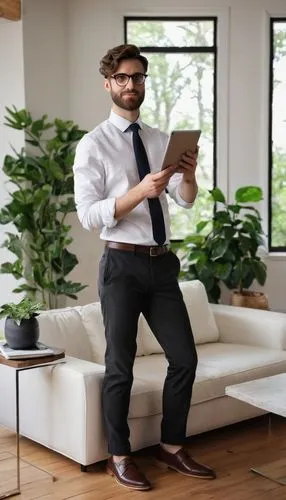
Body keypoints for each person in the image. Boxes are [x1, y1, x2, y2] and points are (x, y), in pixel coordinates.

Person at [73, 44, 216, 491]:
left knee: (185, 358)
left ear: (144, 82)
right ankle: (120, 456)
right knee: (121, 364)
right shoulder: (92, 145)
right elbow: (88, 214)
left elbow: (185, 199)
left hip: (162, 264)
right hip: (120, 264)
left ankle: (171, 447)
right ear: (108, 84)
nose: (130, 85)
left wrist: (188, 175)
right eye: (122, 78)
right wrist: (139, 192)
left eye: (137, 77)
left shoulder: (158, 139)